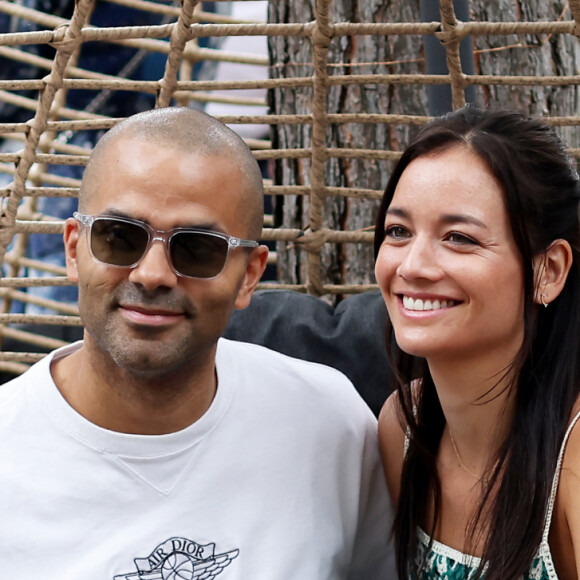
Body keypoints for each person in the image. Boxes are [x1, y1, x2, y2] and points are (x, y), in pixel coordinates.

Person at [0, 107, 394, 579]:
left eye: (196, 248)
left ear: (249, 275)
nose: (151, 274)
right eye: (120, 237)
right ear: (73, 248)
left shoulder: (329, 424)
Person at [374, 105, 580, 579]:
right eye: (398, 231)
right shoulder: (402, 429)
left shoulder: (572, 461)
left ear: (548, 271)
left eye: (459, 238)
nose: (413, 266)